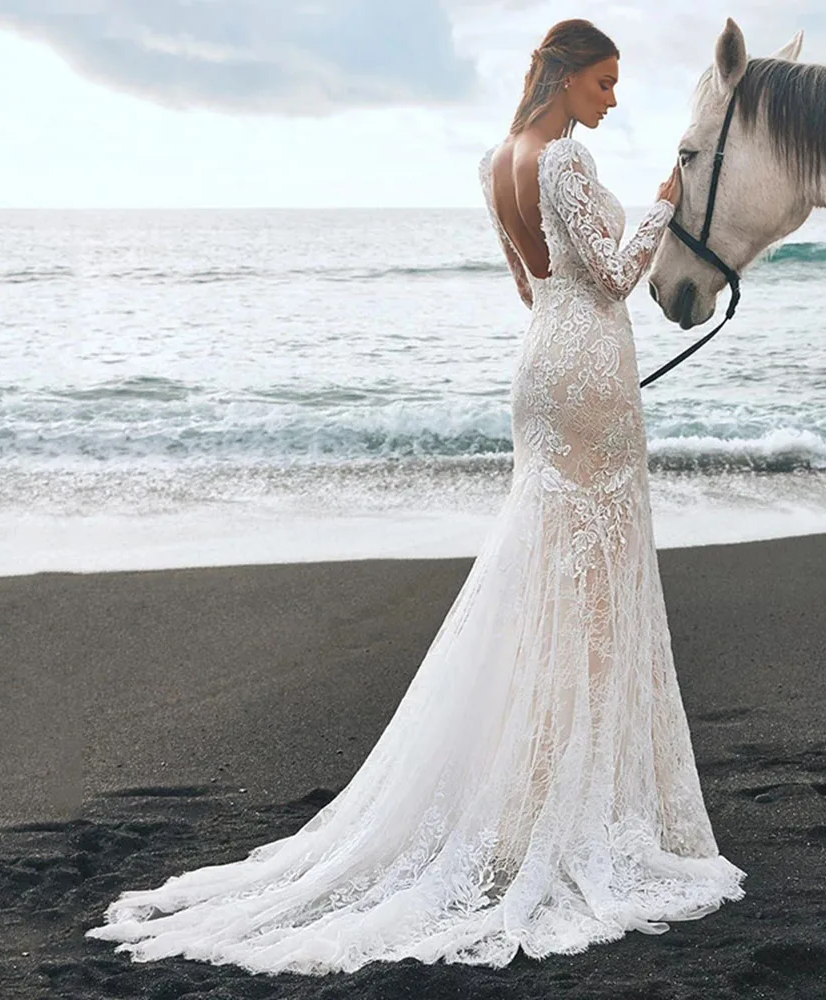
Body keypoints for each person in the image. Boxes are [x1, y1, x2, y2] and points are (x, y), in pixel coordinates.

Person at [86, 18, 746, 974]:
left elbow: (534, 290)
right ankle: (581, 794)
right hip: (590, 368)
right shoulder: (561, 160)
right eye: (604, 81)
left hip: (540, 369)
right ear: (564, 79)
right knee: (596, 585)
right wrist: (662, 202)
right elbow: (608, 278)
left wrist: (598, 265)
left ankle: (541, 782)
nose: (612, 99)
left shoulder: (494, 163)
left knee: (546, 574)